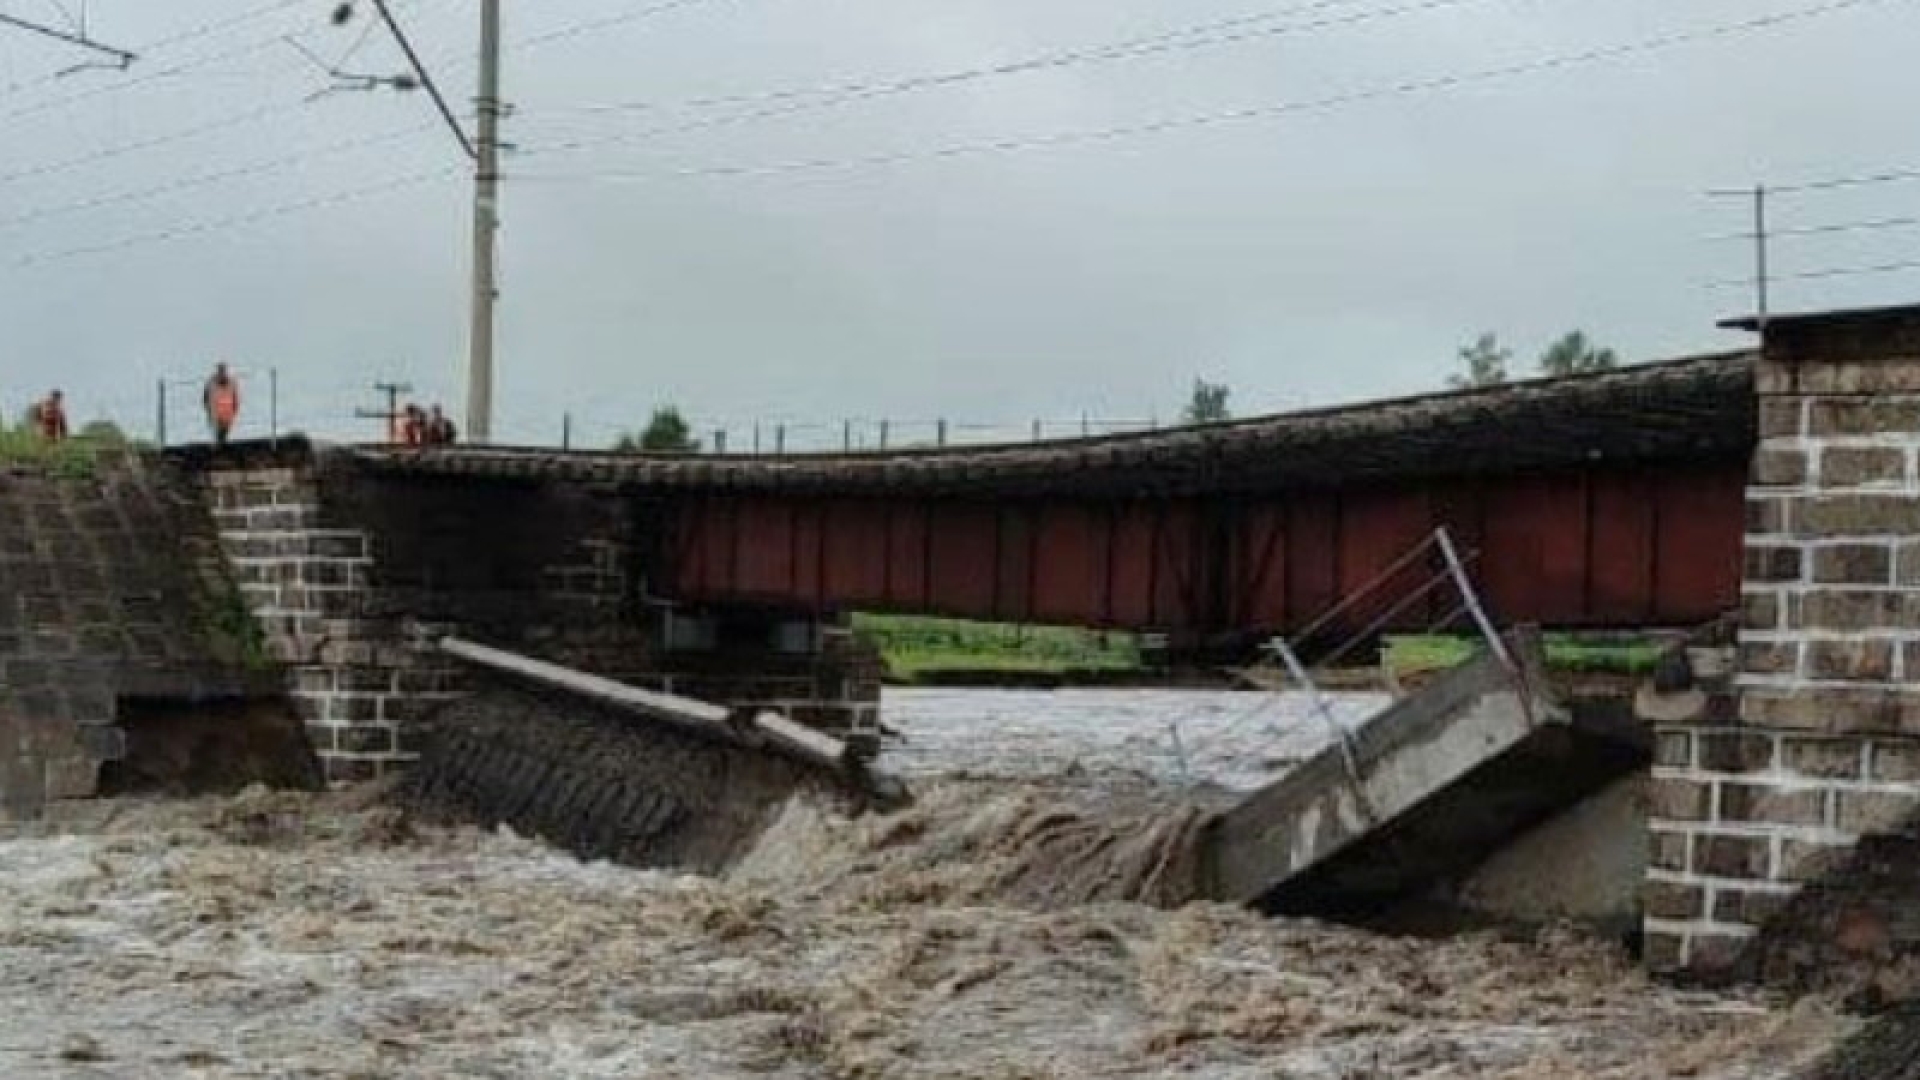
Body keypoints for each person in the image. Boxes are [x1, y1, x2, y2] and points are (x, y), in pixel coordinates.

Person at [203, 363, 241, 448]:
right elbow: (205, 397)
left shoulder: (232, 382)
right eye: (220, 370)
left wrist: (235, 409)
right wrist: (208, 409)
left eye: (223, 370)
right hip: (215, 413)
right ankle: (218, 448)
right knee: (217, 434)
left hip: (228, 413)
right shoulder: (211, 382)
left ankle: (222, 447)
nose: (222, 372)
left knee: (224, 433)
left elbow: (235, 397)